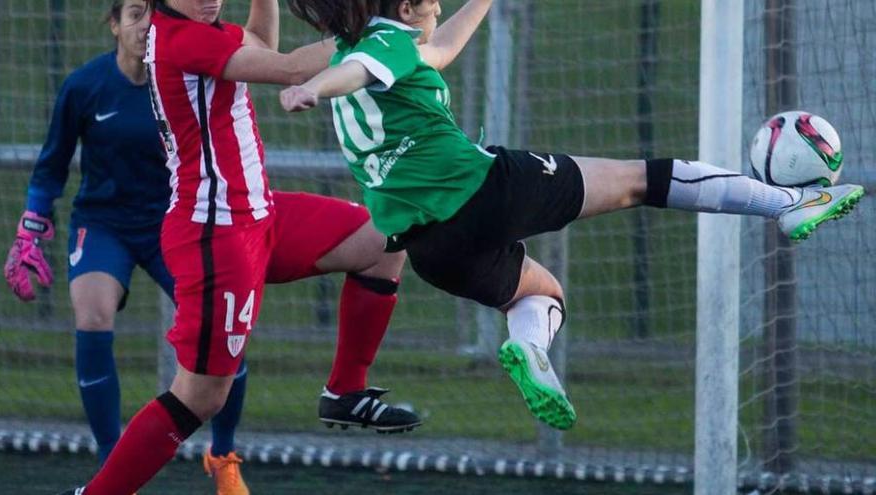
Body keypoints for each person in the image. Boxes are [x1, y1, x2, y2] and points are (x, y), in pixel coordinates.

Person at [280, 0, 866, 432]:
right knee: (642, 180)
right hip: (486, 190)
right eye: (432, 0)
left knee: (541, 293)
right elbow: (355, 73)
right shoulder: (379, 47)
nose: (438, 6)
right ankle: (789, 203)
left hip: (430, 248)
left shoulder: (368, 47)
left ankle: (532, 350)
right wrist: (316, 89)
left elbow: (439, 50)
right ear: (404, 8)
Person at [58, 0, 423, 492]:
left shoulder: (205, 30)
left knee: (384, 238)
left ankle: (345, 390)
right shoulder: (182, 40)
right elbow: (289, 66)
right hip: (217, 234)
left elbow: (260, 45)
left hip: (260, 214)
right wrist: (381, 36)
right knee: (200, 397)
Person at [2, 2, 254, 493]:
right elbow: (51, 165)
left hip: (175, 223)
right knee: (92, 315)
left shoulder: (181, 77)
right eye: (133, 14)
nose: (143, 25)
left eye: (149, 14)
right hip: (103, 223)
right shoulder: (84, 85)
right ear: (114, 24)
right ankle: (111, 465)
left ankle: (224, 458)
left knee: (223, 332)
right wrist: (31, 224)